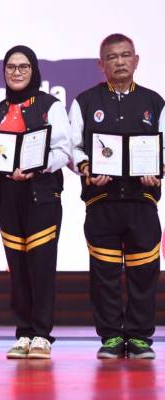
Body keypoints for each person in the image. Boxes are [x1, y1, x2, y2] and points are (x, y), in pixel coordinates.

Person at [69, 33, 163, 360]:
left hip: (142, 202)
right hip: (101, 202)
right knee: (104, 274)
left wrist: (158, 170)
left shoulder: (154, 102)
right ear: (101, 64)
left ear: (136, 60)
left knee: (143, 273)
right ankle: (110, 336)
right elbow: (73, 147)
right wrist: (85, 168)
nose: (119, 62)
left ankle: (139, 337)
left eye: (125, 55)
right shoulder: (85, 101)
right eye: (112, 57)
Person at [0, 45, 71, 359]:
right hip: (7, 197)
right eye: (11, 67)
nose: (16, 72)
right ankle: (23, 333)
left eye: (23, 66)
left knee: (41, 267)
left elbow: (63, 151)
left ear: (34, 70)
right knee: (17, 269)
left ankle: (42, 335)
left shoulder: (50, 106)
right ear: (4, 72)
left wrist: (37, 167)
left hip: (42, 196)